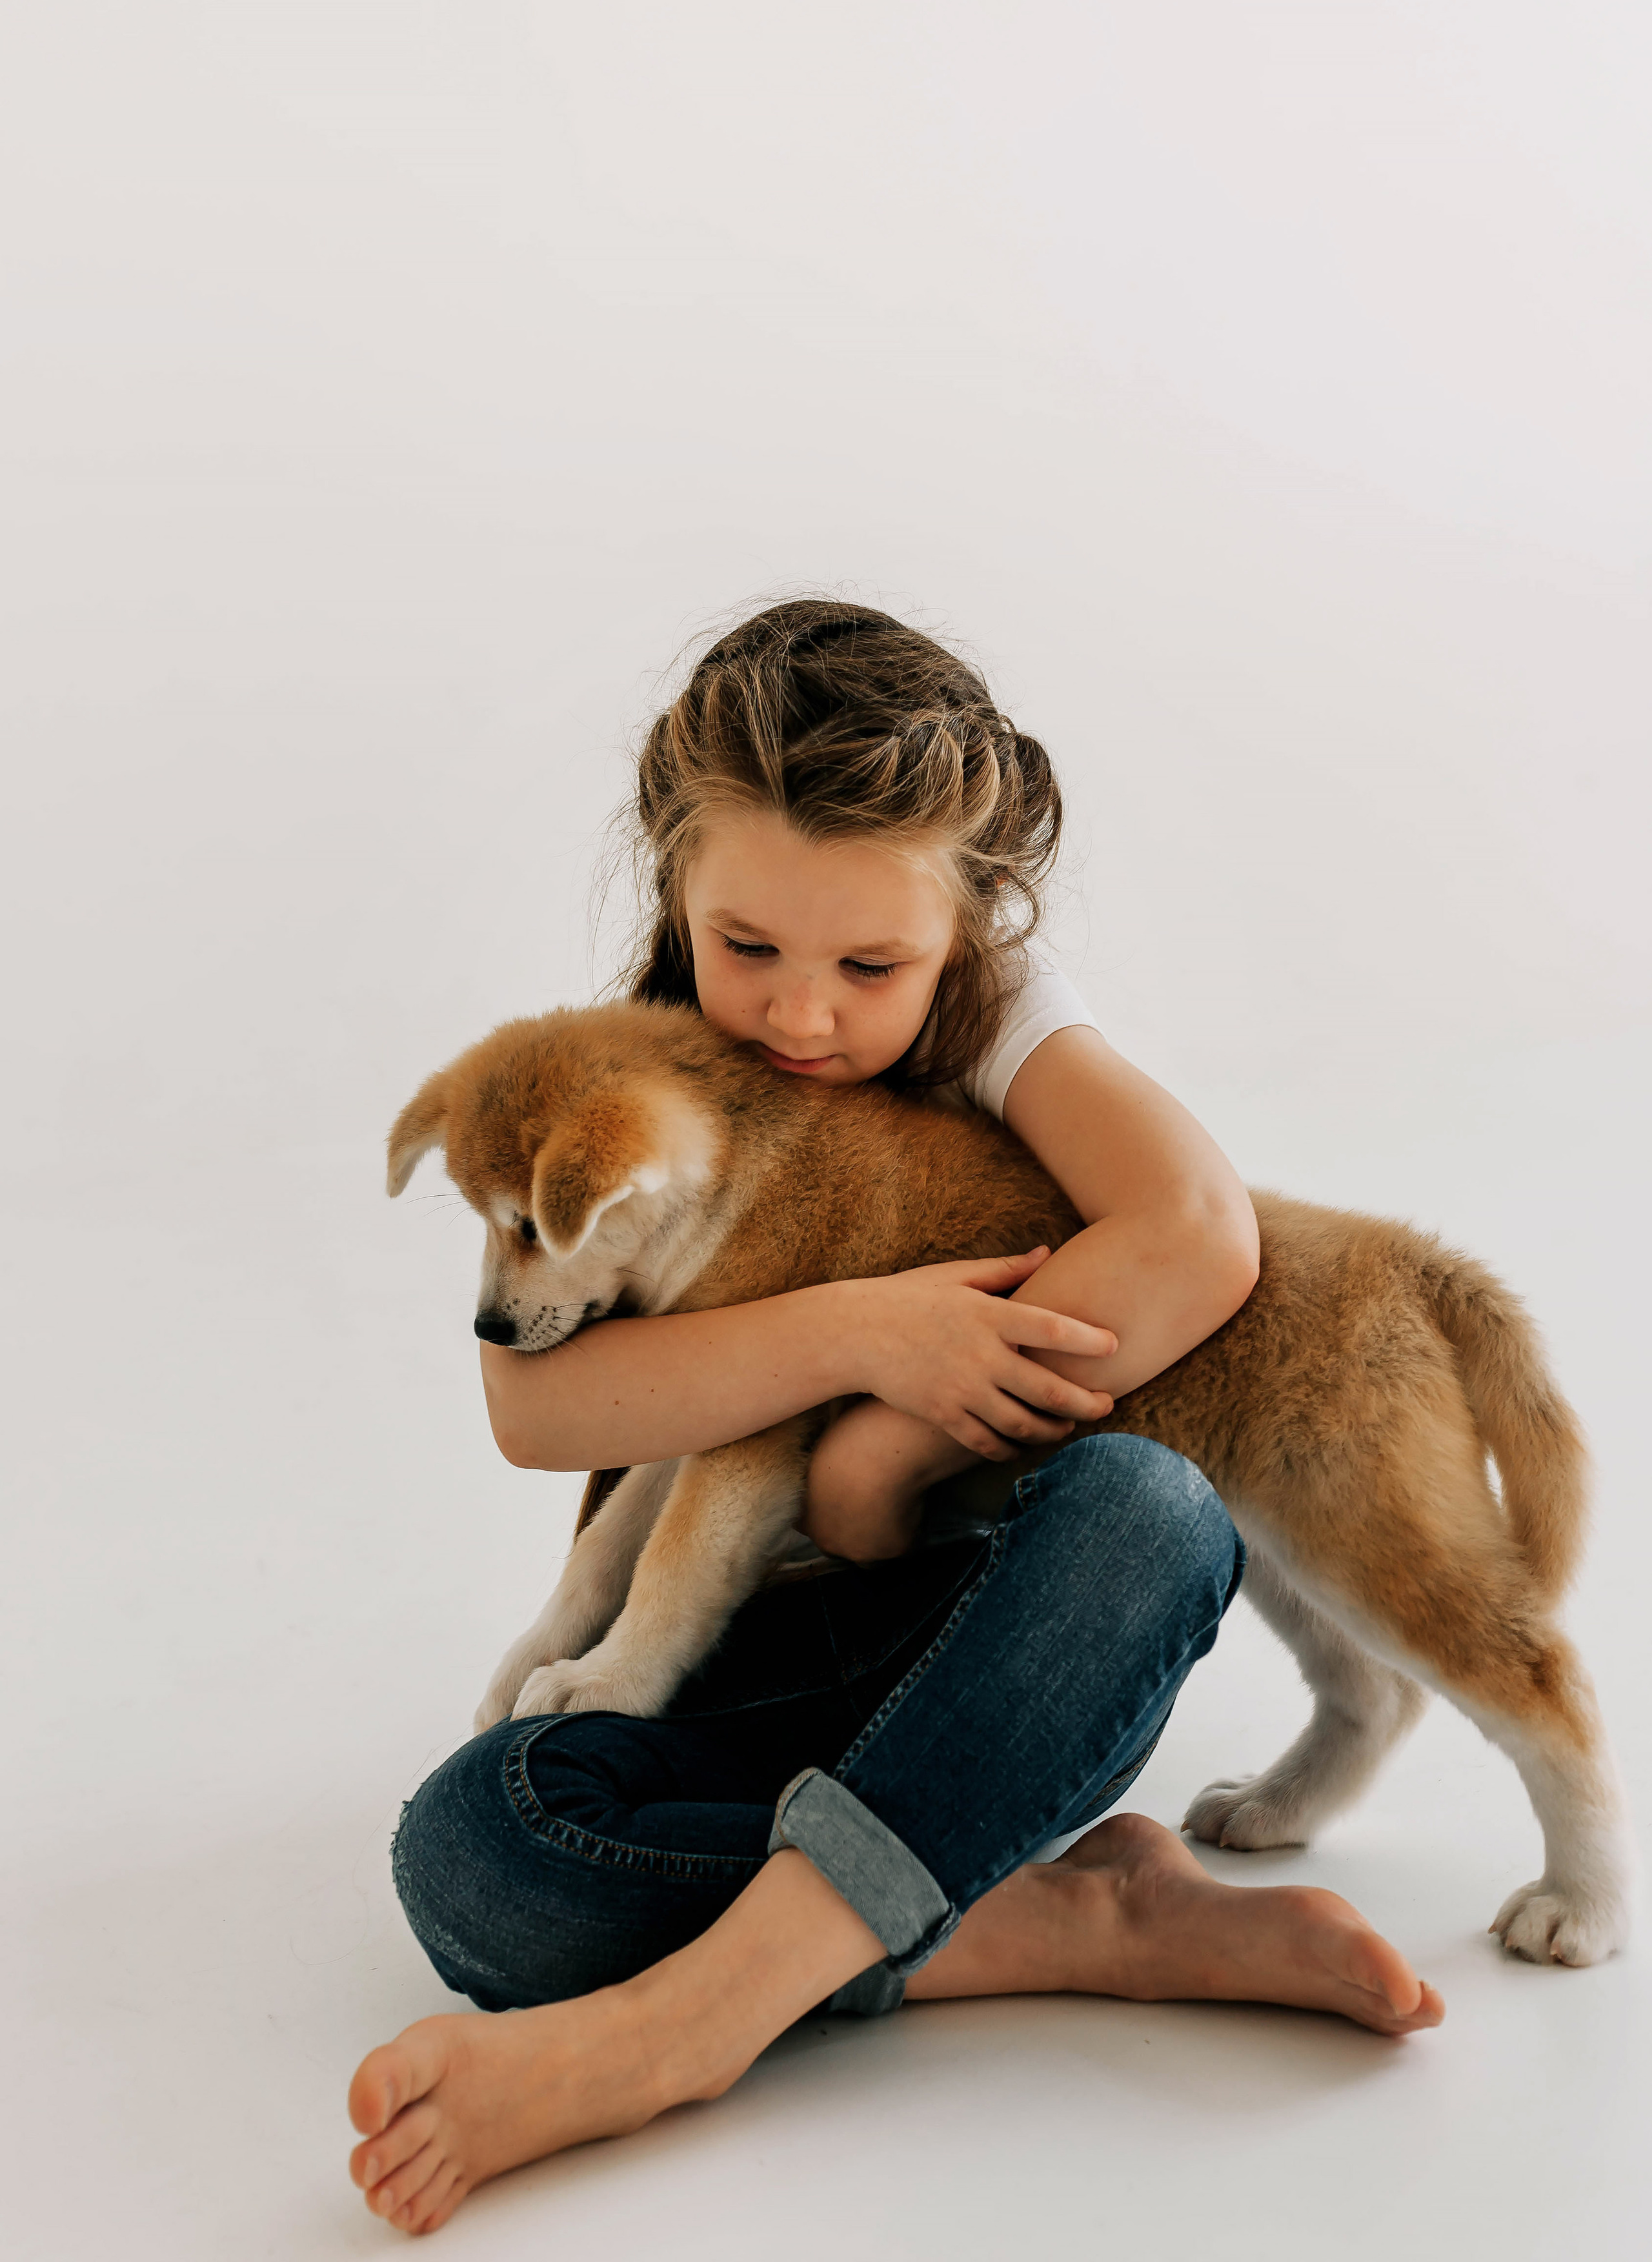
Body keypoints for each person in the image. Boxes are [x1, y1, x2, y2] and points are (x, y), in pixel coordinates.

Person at [349, 601, 1442, 2235]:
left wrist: (886, 1448)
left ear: (969, 924)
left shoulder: (1002, 1018)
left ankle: (678, 2029)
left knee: (1151, 1513)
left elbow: (1197, 1233)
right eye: (748, 952)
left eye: (871, 966)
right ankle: (1060, 1924)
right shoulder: (612, 1080)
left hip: (991, 1662)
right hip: (744, 1656)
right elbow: (536, 1407)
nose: (802, 1016)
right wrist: (861, 1332)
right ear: (675, 895)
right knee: (475, 1858)